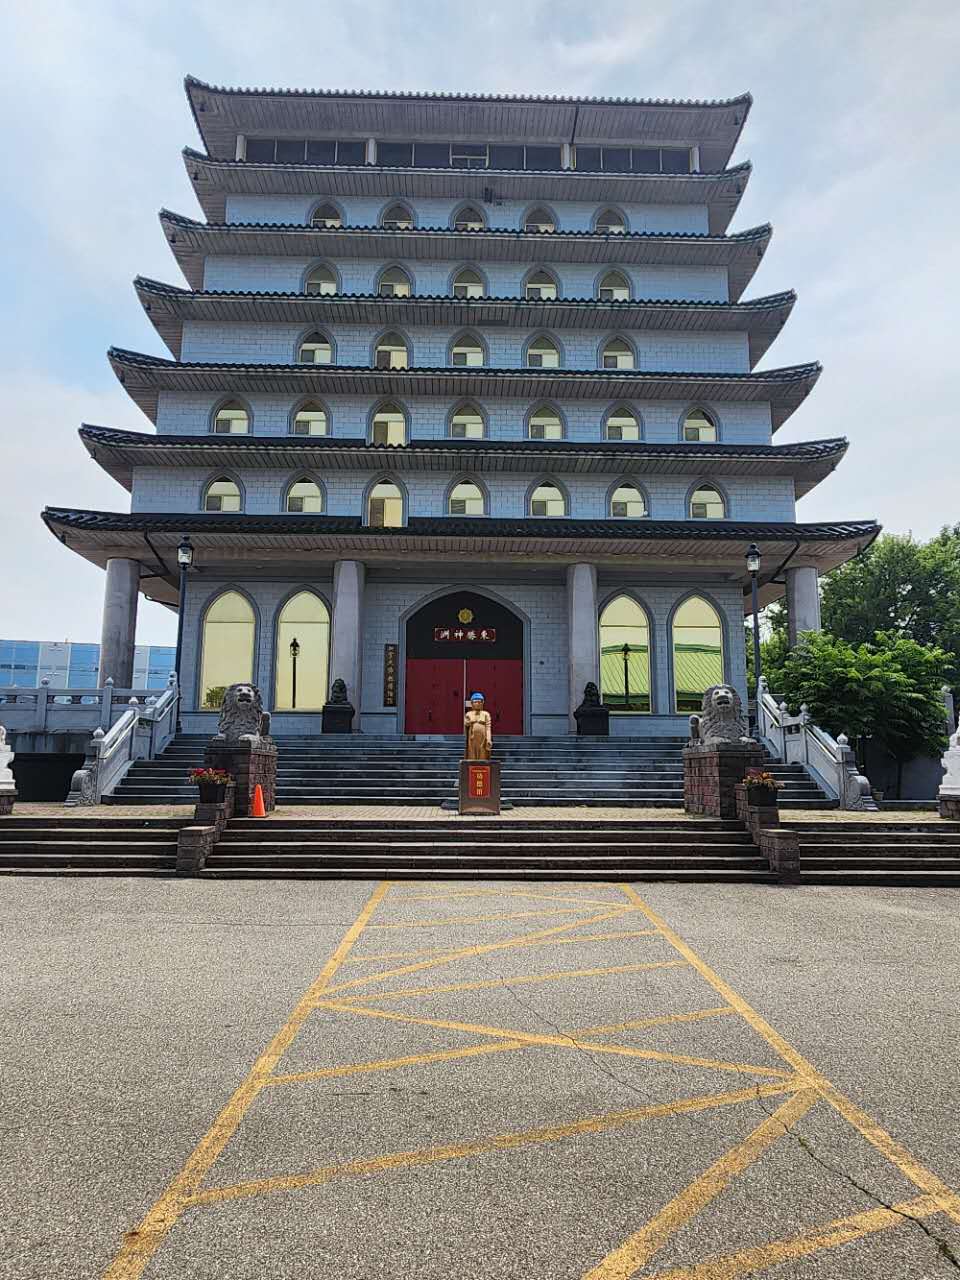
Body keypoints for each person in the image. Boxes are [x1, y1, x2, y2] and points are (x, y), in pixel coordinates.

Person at [464, 692, 492, 760]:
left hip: (483, 738)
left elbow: (488, 727)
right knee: (472, 754)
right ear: (472, 703)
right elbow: (466, 724)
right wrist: (469, 722)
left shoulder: (486, 714)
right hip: (472, 738)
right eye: (475, 702)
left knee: (483, 753)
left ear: (482, 703)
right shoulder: (469, 714)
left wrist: (488, 739)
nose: (477, 704)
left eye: (479, 702)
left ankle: (482, 768)